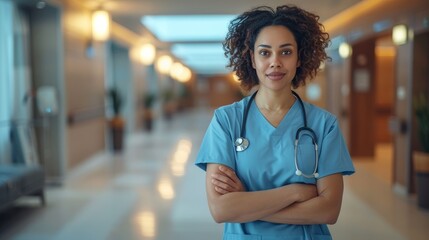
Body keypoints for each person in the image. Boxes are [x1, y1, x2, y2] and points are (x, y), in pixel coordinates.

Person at [195, 4, 355, 240]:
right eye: (264, 52)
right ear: (252, 58)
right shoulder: (226, 120)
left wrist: (248, 203)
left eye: (286, 52)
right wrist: (297, 191)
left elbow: (329, 210)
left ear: (300, 57)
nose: (275, 62)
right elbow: (222, 209)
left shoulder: (324, 125)